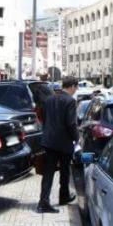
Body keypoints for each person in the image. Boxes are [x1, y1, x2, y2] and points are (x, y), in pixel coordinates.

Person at [37, 76, 79, 214]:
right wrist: (77, 138)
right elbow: (71, 123)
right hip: (64, 142)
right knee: (65, 171)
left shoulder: (49, 99)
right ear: (72, 86)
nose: (76, 90)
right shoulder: (70, 101)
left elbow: (44, 118)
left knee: (48, 173)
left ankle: (43, 202)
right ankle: (63, 197)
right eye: (76, 87)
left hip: (49, 141)